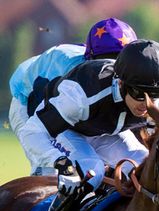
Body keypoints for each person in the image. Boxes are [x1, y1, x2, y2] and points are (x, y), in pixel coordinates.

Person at [17, 39, 159, 211]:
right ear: (121, 83)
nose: (147, 104)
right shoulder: (82, 95)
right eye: (138, 93)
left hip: (106, 130)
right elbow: (32, 132)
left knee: (146, 163)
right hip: (64, 128)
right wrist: (62, 164)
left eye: (155, 94)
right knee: (91, 171)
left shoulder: (154, 103)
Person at [9, 18, 138, 175]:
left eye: (119, 62)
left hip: (64, 100)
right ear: (89, 58)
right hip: (28, 100)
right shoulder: (74, 73)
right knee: (55, 172)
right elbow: (37, 126)